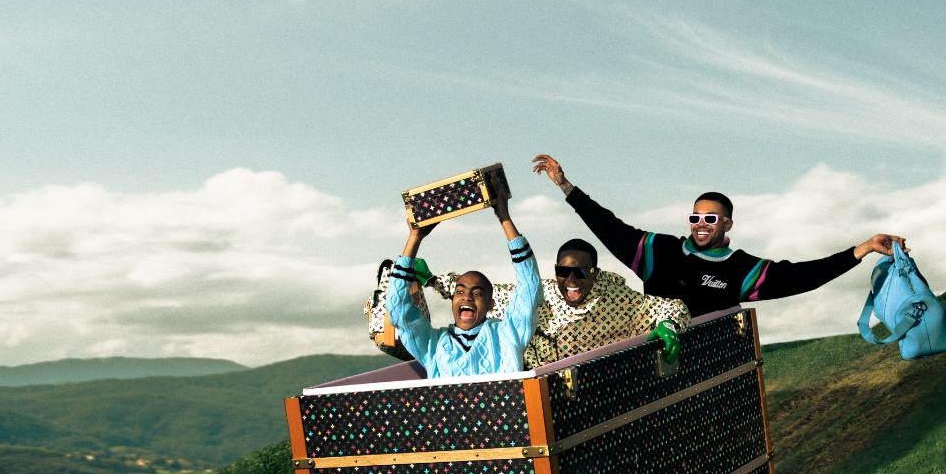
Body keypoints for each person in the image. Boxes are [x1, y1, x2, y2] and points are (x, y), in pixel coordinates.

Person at [532, 154, 906, 318]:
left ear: (727, 224)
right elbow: (608, 225)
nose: (701, 223)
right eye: (696, 216)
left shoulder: (741, 268)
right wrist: (565, 185)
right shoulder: (657, 250)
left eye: (711, 217)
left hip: (708, 371)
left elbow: (801, 277)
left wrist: (861, 249)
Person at [428, 239, 692, 367]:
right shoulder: (545, 293)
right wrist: (430, 279)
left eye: (581, 272)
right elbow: (481, 291)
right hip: (534, 379)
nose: (571, 280)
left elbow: (673, 307)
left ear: (595, 273)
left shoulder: (617, 299)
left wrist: (669, 325)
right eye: (563, 272)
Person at [385, 197, 541, 378]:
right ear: (453, 300)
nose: (467, 297)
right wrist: (414, 238)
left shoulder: (506, 334)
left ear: (490, 304)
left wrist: (504, 217)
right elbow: (397, 310)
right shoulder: (434, 344)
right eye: (460, 291)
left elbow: (529, 287)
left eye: (477, 293)